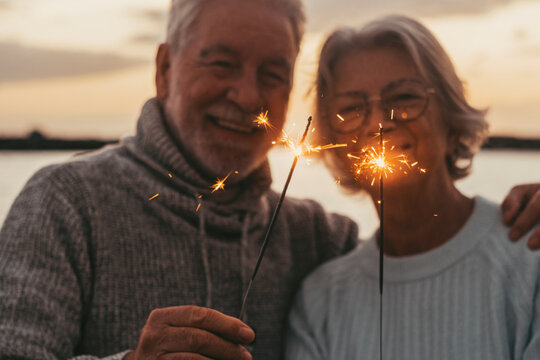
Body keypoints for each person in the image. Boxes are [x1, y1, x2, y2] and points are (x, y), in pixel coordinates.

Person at [0, 2, 538, 359]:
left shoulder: (317, 240)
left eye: (274, 74)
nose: (248, 95)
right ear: (165, 69)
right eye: (222, 63)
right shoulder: (64, 202)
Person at [285, 15, 540, 359]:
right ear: (333, 143)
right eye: (352, 109)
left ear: (451, 120)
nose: (377, 123)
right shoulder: (320, 303)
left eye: (403, 97)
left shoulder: (529, 259)